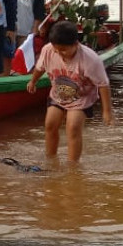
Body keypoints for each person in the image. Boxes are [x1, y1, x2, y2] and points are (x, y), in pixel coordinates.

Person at [26, 20, 113, 162]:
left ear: (76, 44)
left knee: (73, 127)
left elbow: (103, 84)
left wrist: (107, 111)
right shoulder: (48, 50)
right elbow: (40, 67)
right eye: (57, 50)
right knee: (50, 124)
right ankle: (51, 159)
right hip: (58, 93)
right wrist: (33, 81)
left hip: (81, 98)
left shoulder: (90, 59)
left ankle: (73, 167)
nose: (60, 54)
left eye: (64, 50)